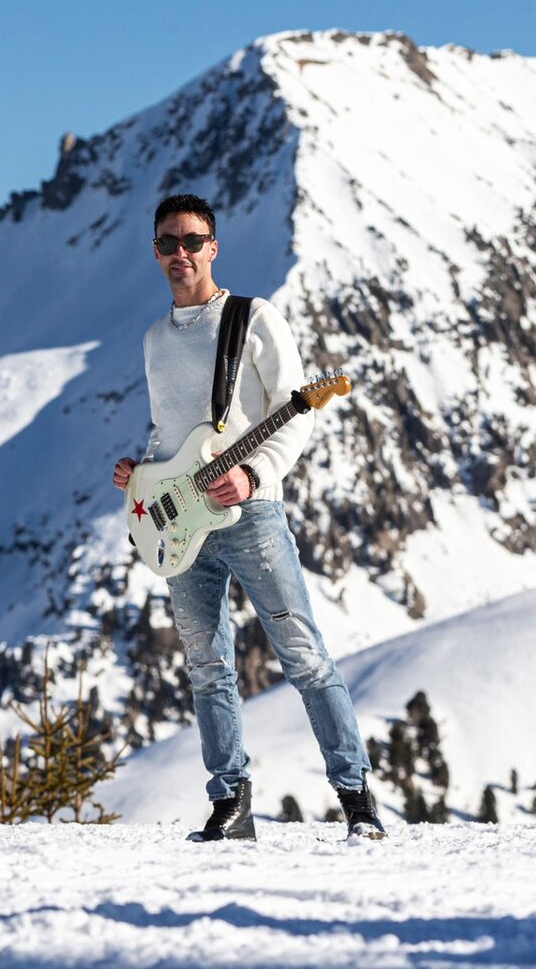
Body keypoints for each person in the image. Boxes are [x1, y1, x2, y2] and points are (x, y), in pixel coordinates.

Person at [112, 193, 386, 841]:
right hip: (182, 524)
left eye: (192, 241)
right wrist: (141, 475)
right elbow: (169, 432)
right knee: (207, 667)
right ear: (155, 252)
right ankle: (230, 803)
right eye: (168, 243)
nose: (180, 253)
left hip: (252, 514)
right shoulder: (154, 339)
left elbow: (296, 415)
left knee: (303, 654)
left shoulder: (253, 317)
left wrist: (254, 475)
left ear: (213, 247)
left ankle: (356, 799)